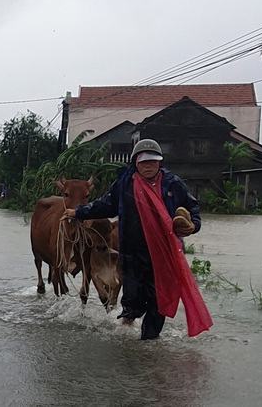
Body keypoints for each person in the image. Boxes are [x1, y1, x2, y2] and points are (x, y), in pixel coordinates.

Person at [65, 139, 213, 340]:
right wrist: (79, 212)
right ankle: (128, 327)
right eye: (144, 162)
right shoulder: (125, 183)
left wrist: (193, 225)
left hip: (163, 254)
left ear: (159, 162)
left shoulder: (172, 184)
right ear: (135, 162)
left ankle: (149, 342)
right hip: (133, 251)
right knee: (132, 298)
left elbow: (192, 208)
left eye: (153, 161)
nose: (148, 165)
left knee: (158, 299)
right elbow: (106, 204)